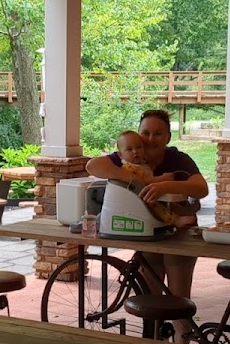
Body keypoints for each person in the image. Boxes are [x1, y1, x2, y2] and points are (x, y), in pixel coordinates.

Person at [86, 110, 209, 307]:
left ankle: (179, 328)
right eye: (145, 133)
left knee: (178, 301)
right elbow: (93, 166)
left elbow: (202, 188)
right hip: (147, 233)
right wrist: (137, 180)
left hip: (179, 234)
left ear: (168, 138)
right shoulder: (129, 157)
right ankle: (155, 328)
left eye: (158, 134)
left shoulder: (177, 159)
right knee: (150, 303)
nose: (151, 139)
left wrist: (165, 186)